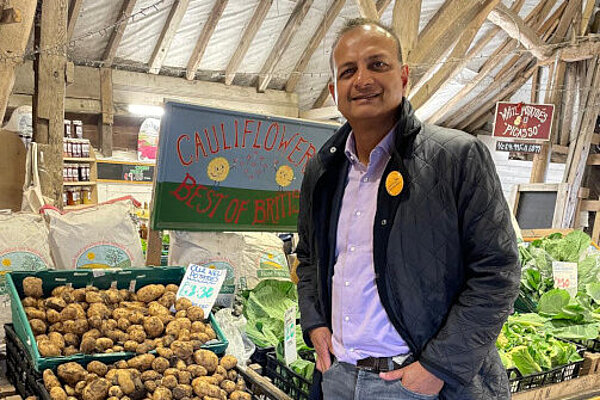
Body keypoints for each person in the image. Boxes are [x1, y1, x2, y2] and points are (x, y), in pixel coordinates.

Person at [296, 18, 520, 400]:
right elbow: (308, 259)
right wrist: (316, 324)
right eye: (348, 71)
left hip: (414, 384)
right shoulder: (324, 169)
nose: (362, 79)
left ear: (403, 78)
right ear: (335, 90)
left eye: (377, 64)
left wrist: (437, 369)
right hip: (337, 376)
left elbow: (497, 274)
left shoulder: (458, 157)